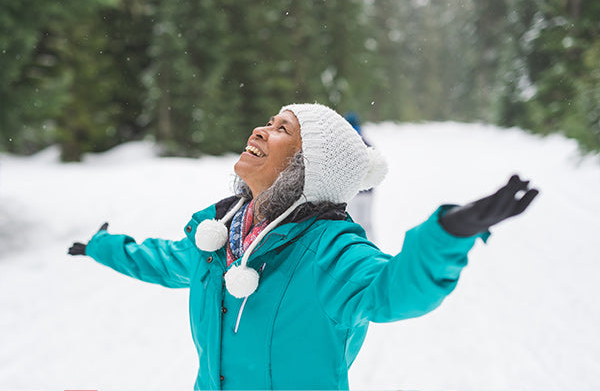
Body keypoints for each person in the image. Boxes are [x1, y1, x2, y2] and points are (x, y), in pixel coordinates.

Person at [68, 103, 538, 390]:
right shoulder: (219, 231)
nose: (260, 130)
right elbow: (162, 259)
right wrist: (102, 246)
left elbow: (393, 290)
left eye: (281, 130)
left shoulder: (329, 251)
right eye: (268, 121)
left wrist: (447, 235)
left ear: (306, 168)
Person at [344, 111, 376, 240]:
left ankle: (356, 245)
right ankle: (372, 246)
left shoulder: (345, 143)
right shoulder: (367, 143)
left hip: (353, 193)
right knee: (367, 223)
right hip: (368, 192)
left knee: (354, 223)